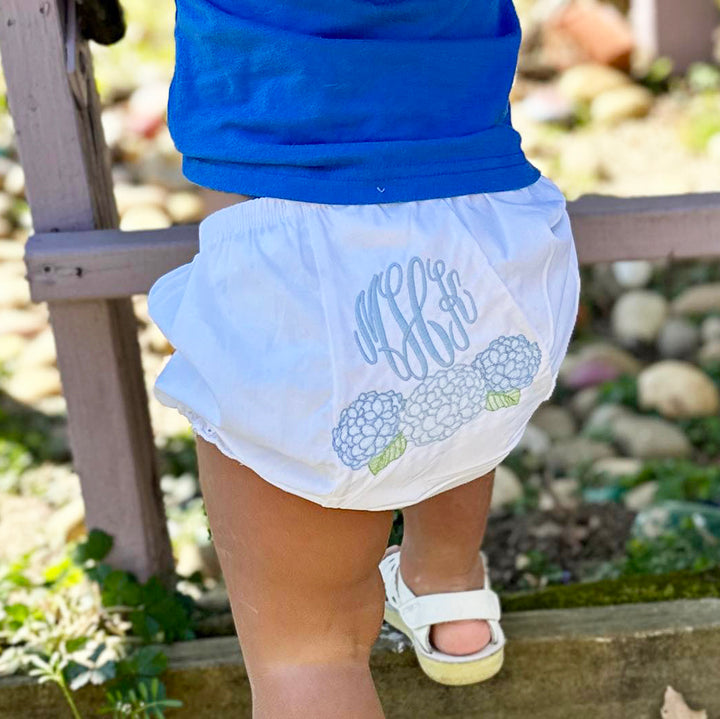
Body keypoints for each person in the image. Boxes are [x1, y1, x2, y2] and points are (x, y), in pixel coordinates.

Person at [146, 0, 581, 716]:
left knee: (305, 656)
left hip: (295, 256)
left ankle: (425, 595)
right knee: (442, 381)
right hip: (490, 236)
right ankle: (448, 584)